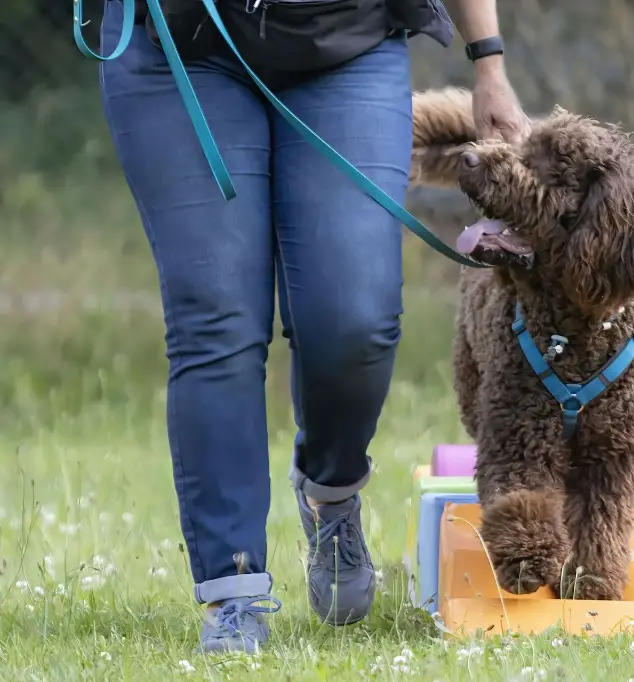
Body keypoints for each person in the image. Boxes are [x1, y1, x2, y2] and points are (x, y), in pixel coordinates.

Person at [97, 0, 530, 654]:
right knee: (217, 319)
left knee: (353, 318)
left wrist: (488, 62)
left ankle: (331, 492)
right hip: (181, 48)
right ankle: (233, 592)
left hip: (346, 45)